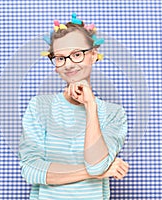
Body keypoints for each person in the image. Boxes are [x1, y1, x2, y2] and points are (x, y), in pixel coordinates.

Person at [18, 14, 129, 199]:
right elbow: (31, 170)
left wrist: (90, 105)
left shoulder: (113, 113)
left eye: (77, 55)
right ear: (55, 65)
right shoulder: (39, 107)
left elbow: (96, 164)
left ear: (93, 55)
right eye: (60, 58)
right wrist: (95, 174)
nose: (68, 64)